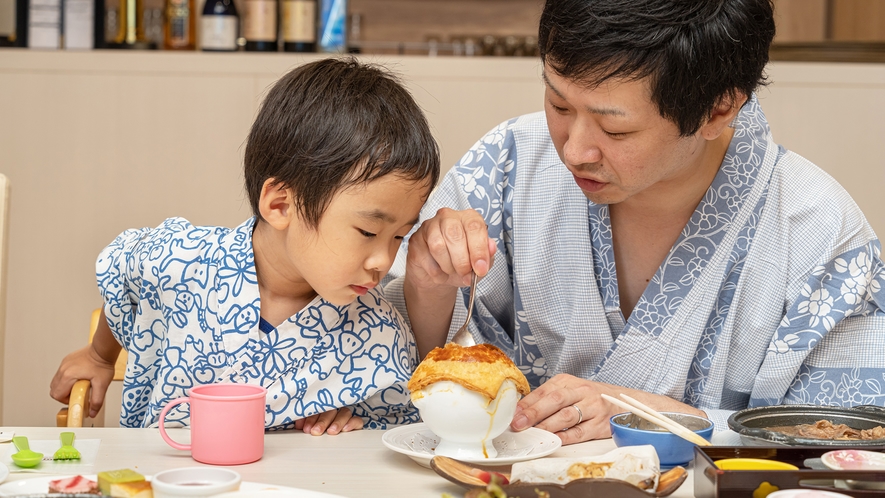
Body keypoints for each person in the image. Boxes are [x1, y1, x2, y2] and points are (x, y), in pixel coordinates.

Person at [385, 0, 885, 444]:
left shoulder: (819, 231)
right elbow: (410, 381)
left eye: (615, 128)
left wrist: (652, 415)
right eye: (558, 103)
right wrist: (428, 287)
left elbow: (853, 438)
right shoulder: (507, 165)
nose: (574, 149)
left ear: (718, 108)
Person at [50, 57, 440, 433]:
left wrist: (351, 421)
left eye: (399, 237)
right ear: (280, 204)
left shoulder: (380, 333)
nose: (383, 261)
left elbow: (393, 429)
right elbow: (127, 278)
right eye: (368, 233)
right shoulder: (178, 259)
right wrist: (99, 356)